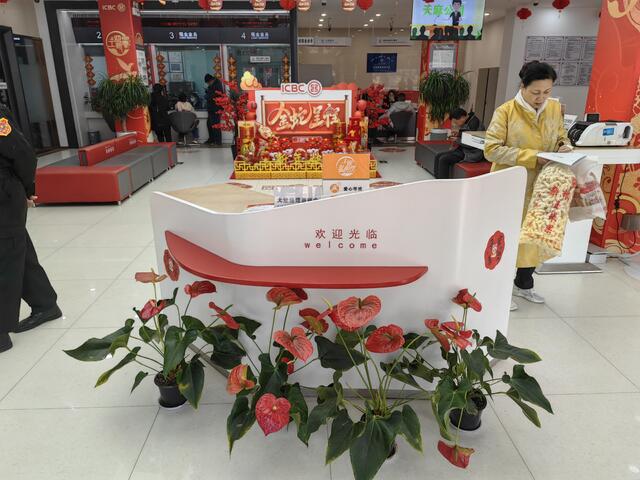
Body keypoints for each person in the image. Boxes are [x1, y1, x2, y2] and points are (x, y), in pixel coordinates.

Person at [484, 61, 572, 311]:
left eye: (547, 92)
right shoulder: (506, 112)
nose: (541, 98)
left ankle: (524, 284)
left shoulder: (553, 108)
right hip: (510, 184)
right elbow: (492, 150)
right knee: (508, 235)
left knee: (535, 234)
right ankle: (499, 289)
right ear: (523, 86)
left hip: (544, 185)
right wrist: (533, 157)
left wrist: (563, 146)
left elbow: (560, 135)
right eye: (536, 92)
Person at [0, 106, 61, 353]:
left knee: (5, 257)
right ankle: (45, 304)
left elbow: (24, 154)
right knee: (17, 251)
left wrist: (27, 188)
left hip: (4, 196)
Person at [433, 108, 484, 179]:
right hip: (464, 149)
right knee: (438, 155)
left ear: (462, 117)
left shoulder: (473, 124)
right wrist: (458, 134)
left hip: (472, 153)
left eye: (456, 122)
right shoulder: (468, 120)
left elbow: (473, 144)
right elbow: (465, 135)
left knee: (444, 159)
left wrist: (457, 139)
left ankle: (443, 183)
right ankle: (437, 180)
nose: (455, 124)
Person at [204, 73, 223, 146]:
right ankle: (211, 139)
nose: (208, 84)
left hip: (215, 108)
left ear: (211, 80)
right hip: (212, 108)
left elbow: (213, 96)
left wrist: (206, 96)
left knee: (216, 125)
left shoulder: (217, 85)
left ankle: (217, 141)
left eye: (208, 83)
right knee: (209, 124)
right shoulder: (213, 85)